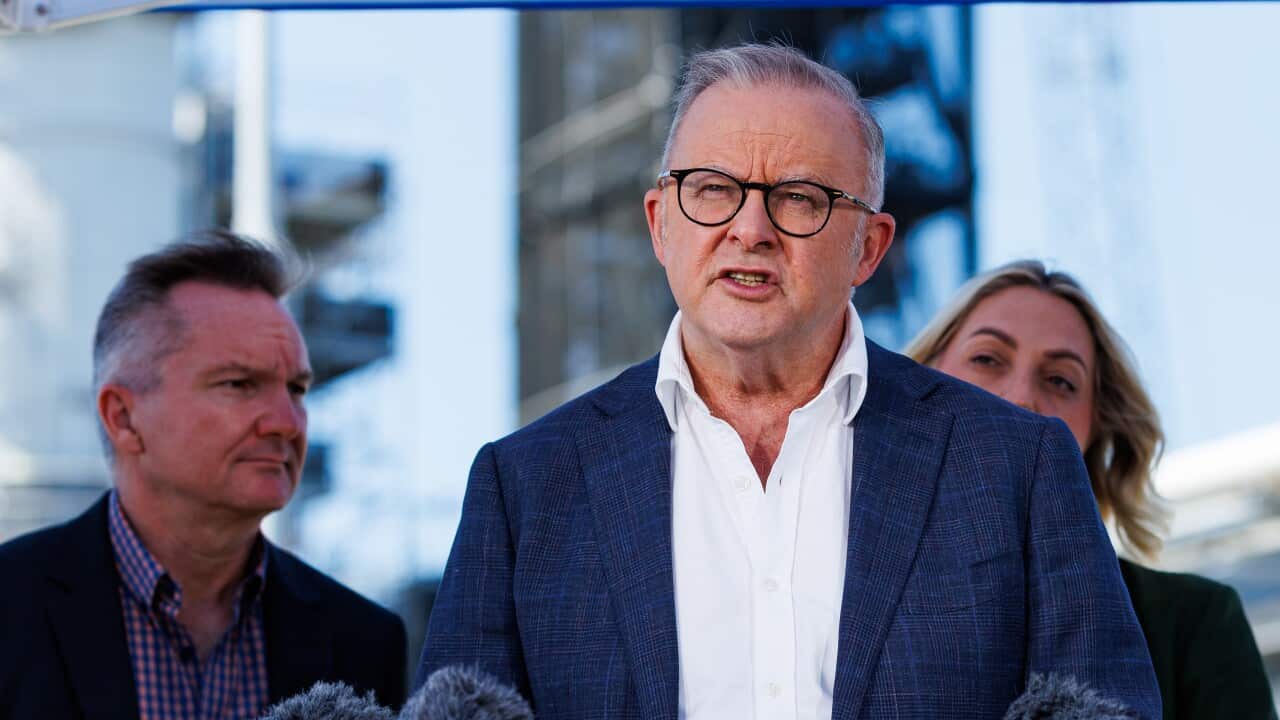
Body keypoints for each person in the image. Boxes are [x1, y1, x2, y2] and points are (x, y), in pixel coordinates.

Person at [419, 44, 1160, 719]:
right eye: (712, 189)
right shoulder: (524, 486)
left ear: (869, 248)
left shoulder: (1015, 465)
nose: (750, 228)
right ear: (660, 224)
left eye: (800, 198)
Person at [0, 231, 407, 719]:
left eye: (296, 389)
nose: (286, 422)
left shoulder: (363, 641)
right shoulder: (11, 609)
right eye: (239, 384)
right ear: (124, 418)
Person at [905, 259, 1277, 720]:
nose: (1021, 397)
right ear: (922, 381)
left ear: (1096, 431)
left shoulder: (1192, 622)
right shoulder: (835, 584)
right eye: (987, 359)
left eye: (1060, 380)